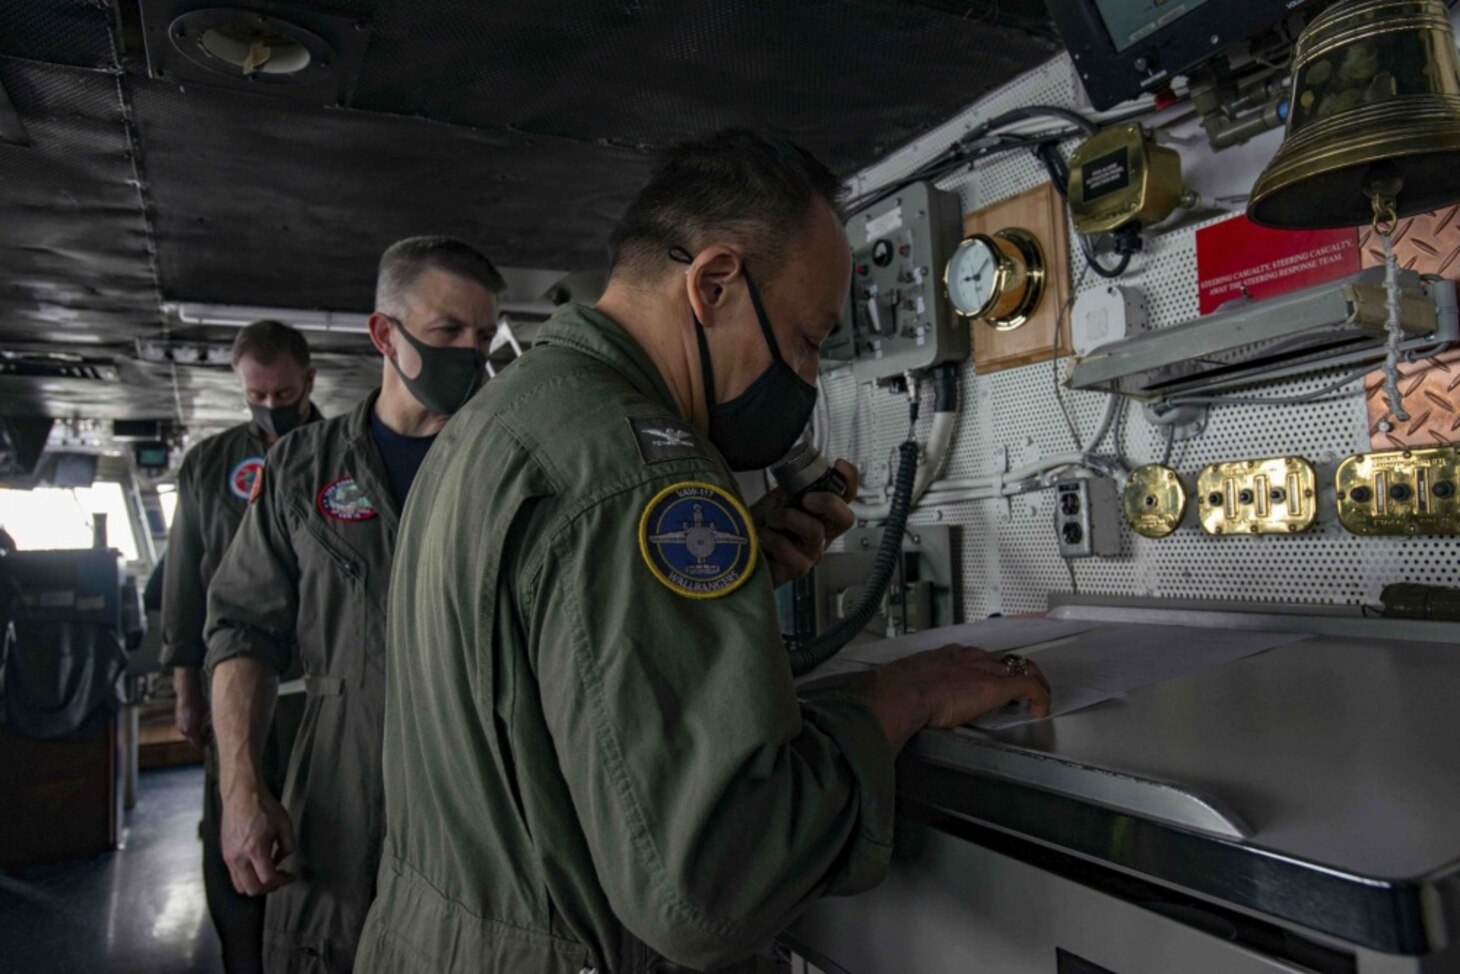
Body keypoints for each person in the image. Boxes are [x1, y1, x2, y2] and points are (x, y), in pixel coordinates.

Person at [356, 130, 1051, 974]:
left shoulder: (499, 422)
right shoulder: (644, 470)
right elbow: (709, 884)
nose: (805, 376)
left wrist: (731, 576)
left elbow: (534, 670)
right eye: (806, 339)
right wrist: (901, 695)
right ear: (714, 283)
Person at [203, 236, 505, 973]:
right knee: (326, 946)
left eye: (481, 335)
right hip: (339, 772)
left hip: (482, 786)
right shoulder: (304, 468)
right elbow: (242, 630)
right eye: (446, 332)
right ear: (384, 334)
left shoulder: (507, 464)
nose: (468, 352)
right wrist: (242, 790)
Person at [161, 319, 320, 974]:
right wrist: (185, 689)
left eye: (283, 396)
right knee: (235, 837)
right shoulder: (209, 465)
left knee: (325, 837)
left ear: (309, 381)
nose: (270, 408)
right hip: (233, 688)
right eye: (257, 396)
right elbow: (185, 578)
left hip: (319, 689)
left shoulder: (343, 454)